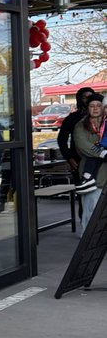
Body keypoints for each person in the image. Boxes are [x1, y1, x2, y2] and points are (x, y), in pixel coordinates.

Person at [72, 93, 107, 231]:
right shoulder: (80, 126)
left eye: (99, 105)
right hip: (93, 178)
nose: (95, 108)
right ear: (88, 108)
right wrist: (102, 153)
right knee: (90, 211)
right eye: (92, 106)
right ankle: (86, 245)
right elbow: (83, 146)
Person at [57, 86, 96, 181]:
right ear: (79, 100)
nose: (88, 100)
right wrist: (69, 157)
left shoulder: (101, 116)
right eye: (84, 97)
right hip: (79, 159)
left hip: (99, 158)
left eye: (90, 96)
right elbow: (62, 139)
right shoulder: (72, 119)